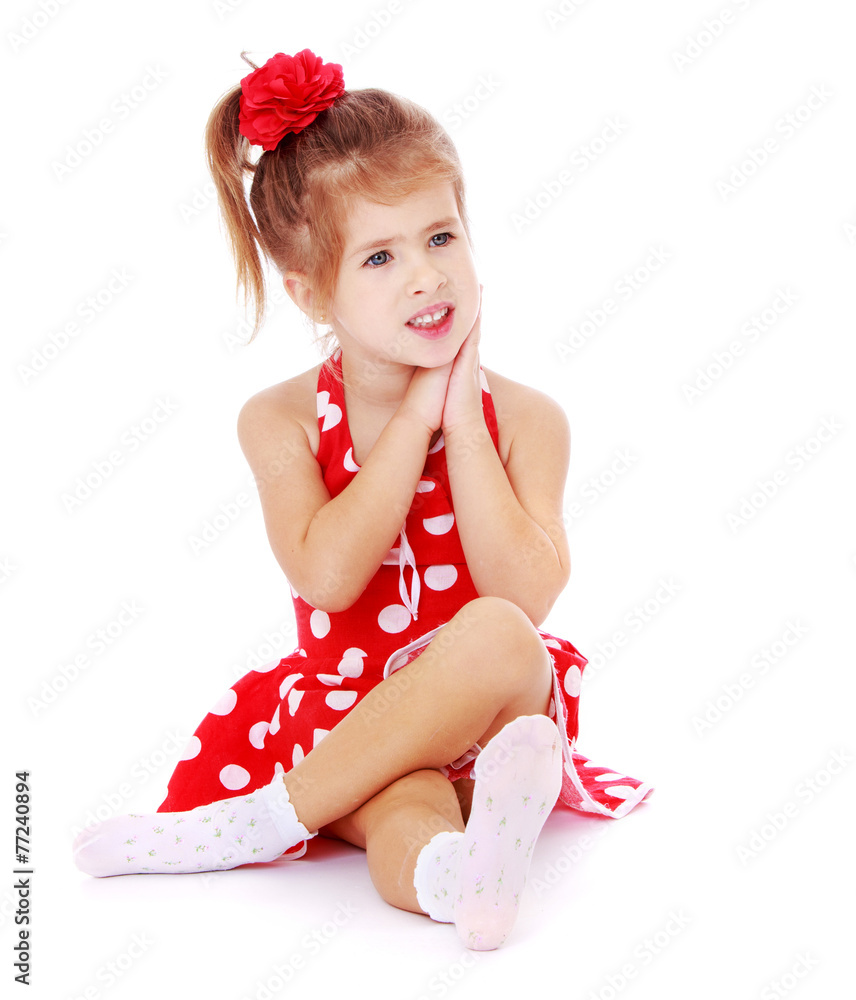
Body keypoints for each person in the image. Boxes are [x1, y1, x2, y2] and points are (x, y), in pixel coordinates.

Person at [73, 48, 653, 951]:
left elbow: (529, 595)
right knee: (404, 804)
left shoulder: (528, 421)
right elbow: (332, 577)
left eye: (440, 237)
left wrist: (460, 425)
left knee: (502, 629)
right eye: (379, 256)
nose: (425, 276)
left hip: (495, 710)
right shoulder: (281, 421)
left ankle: (265, 820)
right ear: (313, 292)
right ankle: (463, 879)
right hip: (350, 721)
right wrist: (412, 420)